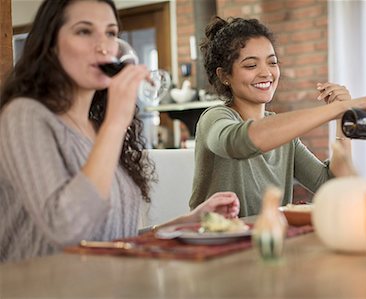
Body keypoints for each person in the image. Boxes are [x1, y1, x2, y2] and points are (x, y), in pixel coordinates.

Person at [0, 0, 239, 263]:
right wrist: (116, 122)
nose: (103, 46)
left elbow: (115, 239)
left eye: (111, 33)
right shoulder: (25, 116)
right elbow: (66, 231)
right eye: (84, 31)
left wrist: (189, 221)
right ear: (51, 44)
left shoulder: (98, 129)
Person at [189, 16, 366, 217]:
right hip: (214, 254)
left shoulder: (284, 138)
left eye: (272, 62)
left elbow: (332, 185)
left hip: (267, 249)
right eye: (250, 65)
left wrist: (343, 118)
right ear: (224, 75)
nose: (266, 73)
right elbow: (241, 142)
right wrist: (340, 108)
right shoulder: (215, 118)